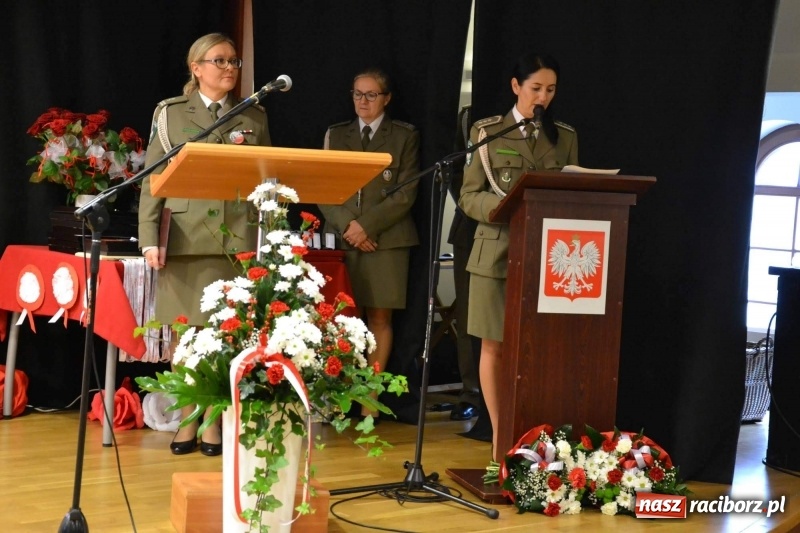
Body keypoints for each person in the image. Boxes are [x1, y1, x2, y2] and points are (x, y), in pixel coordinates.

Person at [138, 33, 271, 456]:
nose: (229, 68)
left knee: (224, 338)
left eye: (234, 61)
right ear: (196, 68)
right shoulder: (171, 113)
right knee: (187, 340)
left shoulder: (255, 116)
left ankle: (213, 423)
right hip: (186, 237)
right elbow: (152, 179)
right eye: (219, 61)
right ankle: (188, 419)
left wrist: (267, 240)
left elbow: (265, 181)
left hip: (235, 240)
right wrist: (148, 238)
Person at [459, 53, 578, 460]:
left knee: (537, 348)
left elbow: (574, 194)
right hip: (497, 253)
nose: (542, 97)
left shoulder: (563, 136)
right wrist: (505, 207)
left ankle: (533, 435)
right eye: (535, 89)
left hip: (548, 257)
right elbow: (469, 196)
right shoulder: (488, 131)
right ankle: (498, 435)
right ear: (516, 87)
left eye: (550, 90)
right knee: (494, 346)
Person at [319, 68, 420, 420]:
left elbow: (406, 193)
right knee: (344, 321)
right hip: (345, 239)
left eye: (371, 95)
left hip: (386, 240)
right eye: (357, 94)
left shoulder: (404, 136)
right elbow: (325, 189)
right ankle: (340, 397)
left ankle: (369, 402)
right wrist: (351, 226)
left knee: (379, 317)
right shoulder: (336, 134)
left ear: (387, 98)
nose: (363, 101)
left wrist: (367, 226)